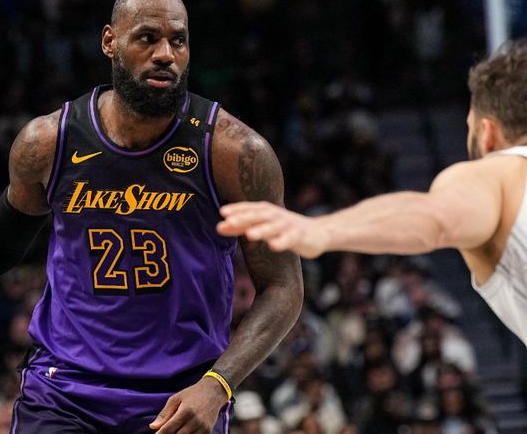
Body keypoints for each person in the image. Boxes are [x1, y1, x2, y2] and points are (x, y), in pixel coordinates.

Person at [0, 0, 304, 433]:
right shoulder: (47, 143)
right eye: (147, 38)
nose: (165, 55)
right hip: (64, 388)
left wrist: (218, 386)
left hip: (182, 394)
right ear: (109, 42)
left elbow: (282, 287)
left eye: (178, 41)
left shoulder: (236, 153)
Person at [217, 41, 527, 345]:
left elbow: (439, 217)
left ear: (487, 134)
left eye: (469, 129)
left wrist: (319, 229)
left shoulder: (501, 172)